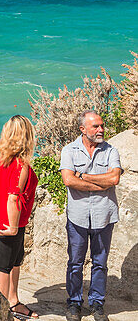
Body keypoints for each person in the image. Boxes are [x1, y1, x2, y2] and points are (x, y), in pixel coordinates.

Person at [59, 110, 122, 321]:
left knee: (100, 262)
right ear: (82, 129)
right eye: (95, 126)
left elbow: (114, 179)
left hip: (104, 216)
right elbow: (68, 181)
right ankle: (74, 304)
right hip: (77, 216)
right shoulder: (69, 150)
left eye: (102, 125)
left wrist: (84, 176)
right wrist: (98, 184)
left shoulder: (111, 150)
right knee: (75, 262)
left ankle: (97, 303)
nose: (101, 130)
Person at [0, 115, 39, 318]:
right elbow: (13, 198)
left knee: (16, 261)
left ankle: (13, 301)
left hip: (9, 218)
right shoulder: (20, 166)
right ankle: (0, 311)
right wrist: (12, 227)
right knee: (4, 265)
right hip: (11, 221)